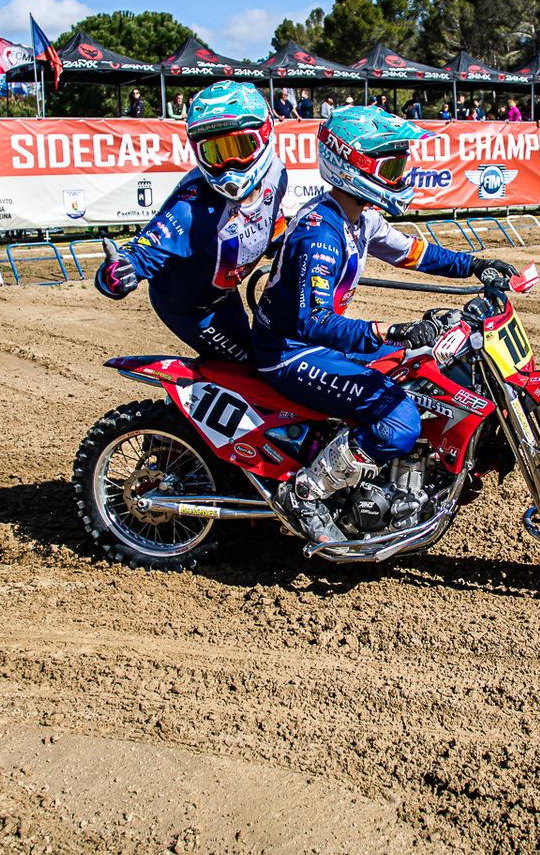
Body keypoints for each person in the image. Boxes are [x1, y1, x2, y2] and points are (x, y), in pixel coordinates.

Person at [251, 107, 514, 543]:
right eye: (389, 167)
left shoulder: (358, 217)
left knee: (426, 368)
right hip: (291, 352)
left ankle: (392, 478)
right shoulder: (320, 233)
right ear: (350, 165)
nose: (399, 175)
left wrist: (475, 265)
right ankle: (306, 493)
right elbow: (314, 322)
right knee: (400, 419)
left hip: (319, 342)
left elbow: (415, 253)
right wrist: (389, 330)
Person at [94, 81, 288, 363]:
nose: (229, 164)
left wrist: (284, 243)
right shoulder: (190, 209)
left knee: (267, 354)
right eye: (214, 152)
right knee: (247, 367)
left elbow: (272, 214)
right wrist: (116, 273)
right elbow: (140, 253)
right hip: (190, 308)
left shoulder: (276, 174)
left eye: (240, 146)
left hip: (222, 293)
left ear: (265, 134)